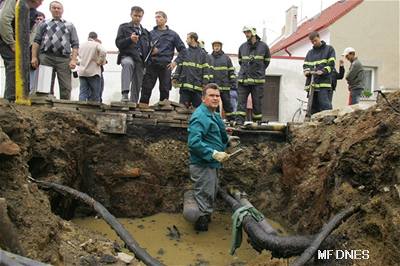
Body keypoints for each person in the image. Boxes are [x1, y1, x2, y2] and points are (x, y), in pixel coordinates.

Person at [187, 83, 233, 231]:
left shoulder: (213, 114)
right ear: (203, 98)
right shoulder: (200, 116)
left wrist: (228, 141)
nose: (215, 98)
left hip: (212, 164)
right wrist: (213, 153)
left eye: (217, 96)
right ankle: (200, 233)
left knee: (208, 196)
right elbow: (194, 143)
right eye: (211, 96)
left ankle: (204, 223)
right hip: (203, 165)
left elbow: (219, 133)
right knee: (204, 199)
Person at [31, 0, 79, 100]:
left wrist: (73, 60)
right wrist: (34, 57)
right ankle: (46, 108)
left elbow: (75, 44)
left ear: (62, 10)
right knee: (45, 87)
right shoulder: (43, 24)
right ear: (50, 9)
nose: (56, 10)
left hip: (64, 59)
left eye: (59, 8)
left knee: (66, 87)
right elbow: (36, 41)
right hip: (46, 57)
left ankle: (65, 109)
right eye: (54, 8)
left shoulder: (70, 25)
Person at [138, 11, 186, 107]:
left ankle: (163, 112)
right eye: (155, 17)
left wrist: (175, 62)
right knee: (146, 89)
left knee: (164, 90)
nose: (157, 19)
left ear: (165, 19)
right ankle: (142, 110)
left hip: (166, 66)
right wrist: (150, 50)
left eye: (159, 17)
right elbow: (143, 48)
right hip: (151, 64)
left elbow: (183, 50)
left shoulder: (173, 34)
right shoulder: (150, 34)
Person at [0, 0, 43, 101]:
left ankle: (17, 97)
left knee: (20, 65)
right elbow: (3, 20)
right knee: (14, 64)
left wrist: (23, 47)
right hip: (4, 36)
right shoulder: (13, 1)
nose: (40, 2)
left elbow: (32, 31)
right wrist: (12, 43)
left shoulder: (33, 12)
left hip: (16, 41)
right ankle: (10, 100)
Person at [115, 6, 151, 103]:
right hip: (127, 56)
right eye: (135, 15)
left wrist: (153, 49)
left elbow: (148, 48)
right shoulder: (123, 27)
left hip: (140, 60)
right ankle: (125, 94)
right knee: (127, 64)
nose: (137, 18)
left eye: (139, 16)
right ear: (131, 15)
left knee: (137, 82)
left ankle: (133, 102)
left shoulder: (146, 33)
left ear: (142, 16)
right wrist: (129, 39)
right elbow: (118, 43)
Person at [236, 26, 271, 125]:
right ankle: (239, 122)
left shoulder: (264, 46)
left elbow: (266, 61)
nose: (246, 34)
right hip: (243, 80)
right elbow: (240, 62)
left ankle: (257, 123)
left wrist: (258, 71)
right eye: (245, 33)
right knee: (241, 103)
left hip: (257, 81)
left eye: (248, 32)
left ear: (253, 32)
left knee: (257, 104)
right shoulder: (242, 47)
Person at [172, 32, 211, 108]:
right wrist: (175, 78)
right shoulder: (184, 52)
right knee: (182, 110)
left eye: (187, 38)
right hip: (185, 87)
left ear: (193, 39)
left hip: (197, 88)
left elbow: (206, 70)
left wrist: (205, 83)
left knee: (197, 111)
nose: (186, 40)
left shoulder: (203, 54)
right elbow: (179, 66)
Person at [303, 31, 336, 114]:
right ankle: (314, 124)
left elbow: (331, 64)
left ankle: (329, 121)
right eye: (312, 42)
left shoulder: (329, 49)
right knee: (312, 107)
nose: (314, 43)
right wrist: (306, 72)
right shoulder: (310, 53)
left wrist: (323, 71)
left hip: (323, 84)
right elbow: (305, 65)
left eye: (315, 40)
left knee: (325, 105)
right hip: (312, 84)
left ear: (319, 37)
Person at [209, 40, 236, 121]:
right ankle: (215, 121)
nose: (216, 47)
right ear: (213, 47)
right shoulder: (209, 58)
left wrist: (233, 83)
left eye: (218, 46)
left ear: (220, 47)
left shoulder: (226, 58)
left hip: (225, 86)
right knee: (214, 105)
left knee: (227, 105)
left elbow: (231, 71)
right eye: (215, 46)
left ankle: (231, 120)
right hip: (214, 87)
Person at [78, 32, 107, 102]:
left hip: (82, 72)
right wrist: (100, 61)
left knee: (83, 92)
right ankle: (94, 110)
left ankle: (81, 108)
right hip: (93, 72)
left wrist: (79, 63)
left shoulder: (81, 45)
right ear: (96, 38)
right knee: (95, 93)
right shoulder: (96, 44)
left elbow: (76, 56)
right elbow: (103, 51)